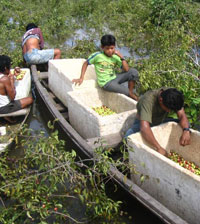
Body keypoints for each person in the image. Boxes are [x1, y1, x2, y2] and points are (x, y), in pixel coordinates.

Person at [124, 87, 191, 156]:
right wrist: (158, 147)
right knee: (127, 138)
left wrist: (186, 130)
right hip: (146, 122)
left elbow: (182, 115)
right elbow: (144, 127)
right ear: (160, 100)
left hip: (161, 120)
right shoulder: (148, 100)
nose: (169, 111)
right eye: (168, 109)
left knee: (187, 125)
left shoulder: (172, 95)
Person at [72, 34, 139, 101]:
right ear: (102, 47)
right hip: (106, 83)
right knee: (126, 91)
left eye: (112, 48)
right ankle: (134, 97)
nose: (110, 51)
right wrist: (81, 78)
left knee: (133, 72)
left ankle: (131, 93)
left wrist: (121, 57)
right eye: (107, 48)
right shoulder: (98, 56)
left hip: (114, 78)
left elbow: (126, 69)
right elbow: (86, 63)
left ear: (114, 47)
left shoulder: (115, 57)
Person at [0, 55, 33, 122]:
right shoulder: (4, 79)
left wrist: (13, 76)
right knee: (30, 99)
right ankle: (9, 117)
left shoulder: (4, 77)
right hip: (3, 108)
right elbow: (12, 97)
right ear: (6, 68)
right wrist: (11, 81)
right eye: (10, 66)